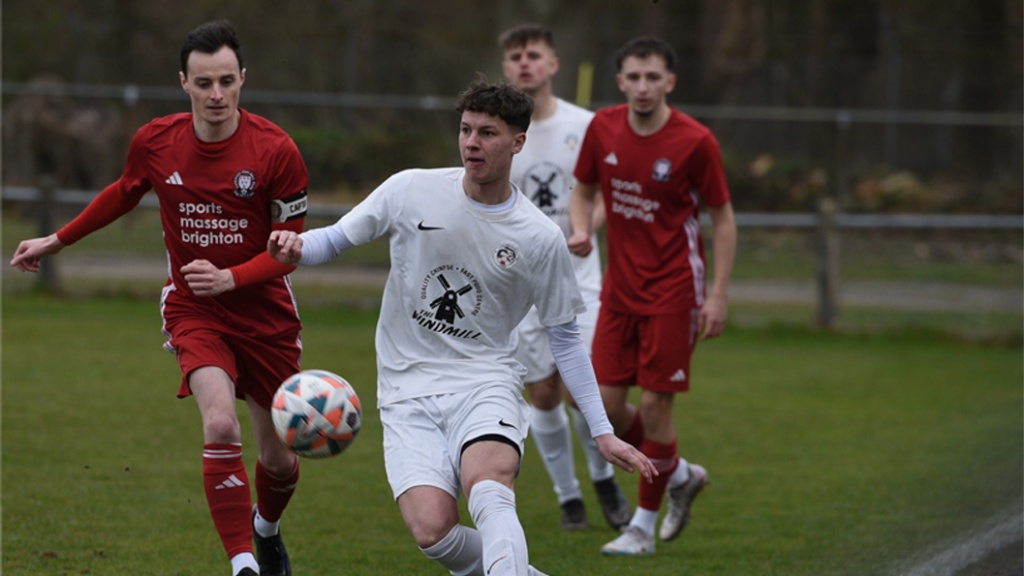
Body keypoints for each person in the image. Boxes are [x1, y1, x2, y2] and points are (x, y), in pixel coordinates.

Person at [268, 78, 656, 576]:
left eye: (488, 133)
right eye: (466, 129)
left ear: (518, 142)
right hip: (406, 389)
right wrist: (298, 248)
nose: (472, 142)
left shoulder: (539, 238)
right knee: (433, 532)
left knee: (490, 490)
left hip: (484, 381)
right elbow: (338, 238)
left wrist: (601, 431)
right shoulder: (411, 189)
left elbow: (564, 337)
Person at [10, 20, 309, 576]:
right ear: (183, 83)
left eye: (226, 81)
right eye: (203, 83)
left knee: (279, 458)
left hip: (265, 313)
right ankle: (244, 564)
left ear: (243, 78)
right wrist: (56, 240)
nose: (216, 95)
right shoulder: (155, 140)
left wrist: (233, 278)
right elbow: (121, 195)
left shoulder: (277, 150)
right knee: (220, 424)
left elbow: (289, 252)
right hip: (194, 307)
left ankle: (265, 529)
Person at [568, 36, 737, 556]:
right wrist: (580, 230)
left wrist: (718, 296)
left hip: (674, 293)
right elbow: (584, 189)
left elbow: (723, 219)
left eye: (653, 77)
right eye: (633, 77)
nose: (643, 86)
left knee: (659, 412)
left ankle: (642, 528)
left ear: (670, 82)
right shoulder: (604, 126)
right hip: (619, 290)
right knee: (599, 405)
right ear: (620, 82)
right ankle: (680, 473)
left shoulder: (695, 141)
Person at [498, 23, 630, 532]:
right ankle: (568, 497)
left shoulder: (587, 125)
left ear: (553, 65)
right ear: (506, 67)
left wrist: (583, 228)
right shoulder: (496, 129)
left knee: (583, 387)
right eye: (515, 56)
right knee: (545, 395)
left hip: (580, 276)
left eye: (534, 55)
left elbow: (600, 194)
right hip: (520, 283)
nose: (524, 63)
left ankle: (603, 479)